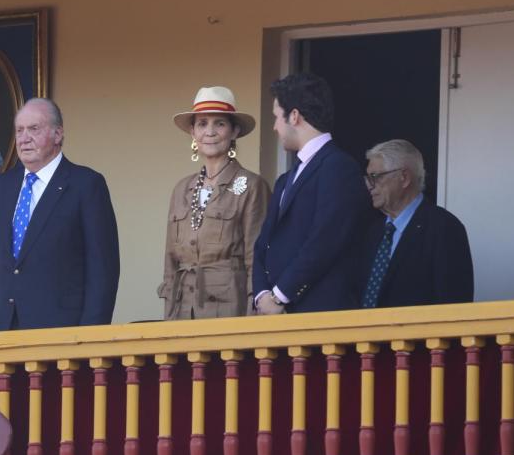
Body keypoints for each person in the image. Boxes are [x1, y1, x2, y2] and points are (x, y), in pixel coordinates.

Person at [0, 98, 119, 331]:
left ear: (58, 134)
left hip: (61, 335)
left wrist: (90, 339)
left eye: (34, 129)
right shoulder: (3, 186)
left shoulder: (85, 185)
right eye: (19, 130)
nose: (24, 139)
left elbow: (103, 272)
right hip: (3, 333)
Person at [252, 73, 370, 314]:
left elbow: (325, 240)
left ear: (294, 116)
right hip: (280, 318)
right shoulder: (286, 179)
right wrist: (262, 295)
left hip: (320, 315)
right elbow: (263, 244)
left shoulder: (339, 167)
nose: (274, 127)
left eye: (276, 117)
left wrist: (280, 295)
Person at [160, 87, 270, 319]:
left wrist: (254, 315)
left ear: (234, 131)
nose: (210, 132)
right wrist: (168, 315)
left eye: (219, 123)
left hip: (229, 310)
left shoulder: (250, 185)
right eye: (202, 124)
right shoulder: (181, 188)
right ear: (192, 132)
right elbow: (170, 262)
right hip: (182, 310)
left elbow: (256, 258)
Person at [360, 139, 473, 307]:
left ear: (404, 178)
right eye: (368, 178)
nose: (369, 186)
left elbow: (454, 305)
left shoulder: (443, 228)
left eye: (375, 177)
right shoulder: (372, 232)